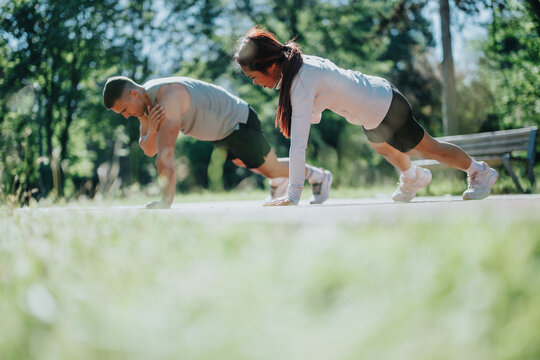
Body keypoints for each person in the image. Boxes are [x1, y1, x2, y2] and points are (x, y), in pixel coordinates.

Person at [233, 27, 498, 206]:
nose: (255, 83)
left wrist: (293, 195)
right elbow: (315, 113)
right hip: (372, 107)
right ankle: (413, 177)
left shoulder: (301, 79)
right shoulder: (297, 67)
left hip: (384, 106)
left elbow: (299, 141)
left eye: (253, 77)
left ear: (269, 65)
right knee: (384, 148)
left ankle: (479, 171)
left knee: (430, 149)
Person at [102, 76, 332, 208]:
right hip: (220, 133)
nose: (124, 115)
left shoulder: (166, 100)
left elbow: (164, 154)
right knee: (250, 164)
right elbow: (148, 148)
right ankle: (280, 181)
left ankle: (319, 175)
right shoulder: (145, 108)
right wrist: (151, 130)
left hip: (236, 122)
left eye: (123, 109)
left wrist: (165, 201)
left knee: (269, 168)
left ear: (133, 93)